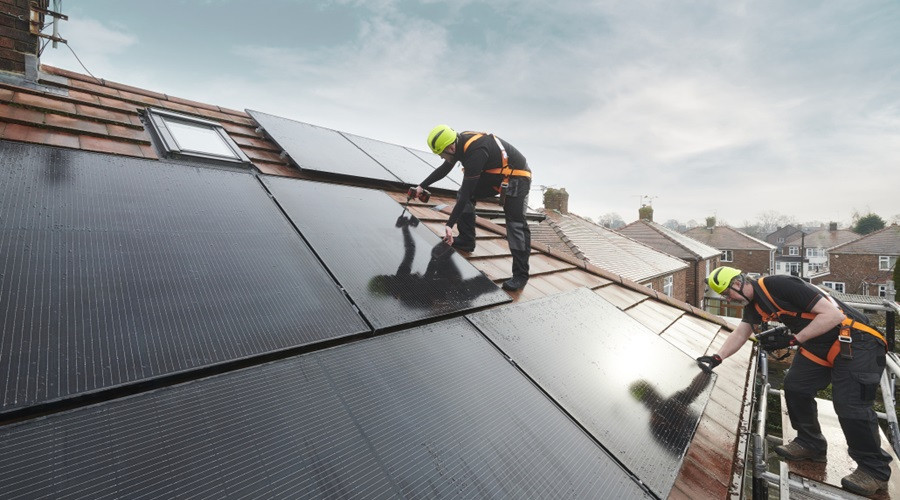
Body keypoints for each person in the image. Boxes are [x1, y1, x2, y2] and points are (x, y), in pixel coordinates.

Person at [697, 266, 892, 496]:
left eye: (727, 293)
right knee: (795, 387)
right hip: (818, 345)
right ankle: (811, 444)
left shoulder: (779, 285)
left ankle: (874, 471)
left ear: (738, 283)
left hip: (856, 341)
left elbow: (834, 316)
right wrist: (717, 358)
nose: (728, 299)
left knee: (850, 405)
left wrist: (793, 340)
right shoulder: (754, 305)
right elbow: (741, 332)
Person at [412, 125, 532, 291]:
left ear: (451, 147)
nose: (441, 157)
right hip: (496, 175)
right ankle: (467, 240)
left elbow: (468, 192)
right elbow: (444, 169)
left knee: (516, 224)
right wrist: (421, 186)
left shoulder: (476, 152)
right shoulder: (458, 143)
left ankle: (521, 275)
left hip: (517, 177)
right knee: (463, 195)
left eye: (441, 154)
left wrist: (449, 224)